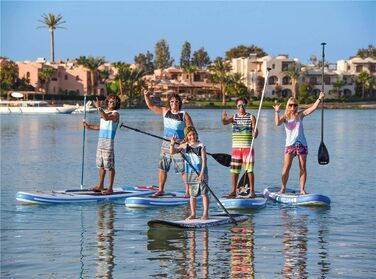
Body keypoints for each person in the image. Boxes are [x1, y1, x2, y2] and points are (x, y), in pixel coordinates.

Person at [273, 92, 325, 194]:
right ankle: (283, 188)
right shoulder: (285, 117)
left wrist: (319, 98)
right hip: (290, 146)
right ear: (288, 106)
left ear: (297, 106)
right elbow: (277, 123)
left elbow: (312, 108)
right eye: (291, 105)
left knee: (302, 167)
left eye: (295, 105)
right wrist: (276, 112)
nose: (293, 107)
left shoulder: (300, 115)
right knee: (286, 167)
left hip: (302, 145)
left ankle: (302, 190)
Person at [144, 89, 193, 197]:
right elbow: (151, 106)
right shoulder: (165, 111)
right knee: (162, 168)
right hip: (166, 144)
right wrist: (146, 96)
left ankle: (187, 192)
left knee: (182, 170)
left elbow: (191, 131)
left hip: (178, 145)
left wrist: (184, 141)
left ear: (179, 103)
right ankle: (161, 190)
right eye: (171, 102)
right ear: (169, 103)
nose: (174, 103)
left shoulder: (184, 115)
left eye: (176, 101)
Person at [83, 95, 121, 195]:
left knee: (109, 165)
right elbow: (100, 126)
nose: (111, 103)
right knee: (101, 165)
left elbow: (106, 118)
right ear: (107, 102)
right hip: (101, 141)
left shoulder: (116, 114)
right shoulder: (104, 113)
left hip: (108, 142)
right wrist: (88, 126)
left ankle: (110, 188)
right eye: (110, 101)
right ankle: (100, 185)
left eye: (114, 102)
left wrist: (99, 108)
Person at [221, 97, 258, 198]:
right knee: (235, 170)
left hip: (248, 148)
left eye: (243, 105)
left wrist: (255, 132)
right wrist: (223, 118)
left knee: (249, 170)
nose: (241, 107)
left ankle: (252, 191)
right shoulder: (234, 117)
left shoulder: (251, 117)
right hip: (236, 148)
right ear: (236, 107)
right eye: (239, 105)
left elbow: (256, 131)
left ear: (246, 106)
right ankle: (233, 191)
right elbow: (224, 122)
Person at [170, 126, 209, 220]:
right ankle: (193, 214)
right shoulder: (184, 145)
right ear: (187, 136)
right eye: (190, 135)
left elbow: (204, 160)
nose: (192, 136)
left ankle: (205, 214)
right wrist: (172, 144)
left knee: (204, 194)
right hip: (190, 173)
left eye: (194, 134)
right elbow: (172, 152)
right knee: (192, 195)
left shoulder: (201, 146)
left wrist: (202, 173)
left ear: (196, 135)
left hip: (201, 172)